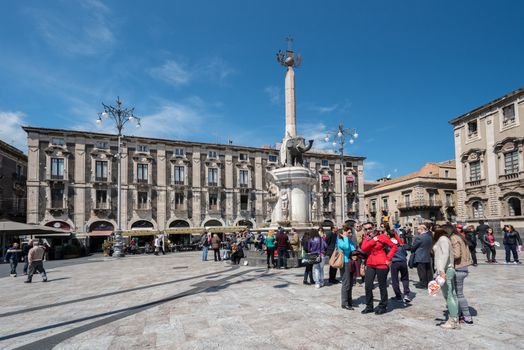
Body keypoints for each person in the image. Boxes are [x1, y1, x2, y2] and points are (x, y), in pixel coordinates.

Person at [360, 222, 398, 315]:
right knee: (368, 285)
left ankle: (383, 306)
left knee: (382, 285)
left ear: (374, 227)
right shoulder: (366, 238)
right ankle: (369, 306)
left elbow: (394, 247)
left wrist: (388, 258)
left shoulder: (382, 236)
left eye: (370, 228)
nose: (368, 230)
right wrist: (373, 240)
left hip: (382, 262)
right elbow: (364, 248)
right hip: (370, 263)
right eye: (366, 229)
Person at [433, 228, 460, 329]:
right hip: (449, 269)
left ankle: (453, 321)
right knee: (453, 294)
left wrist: (440, 270)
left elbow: (444, 255)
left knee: (449, 296)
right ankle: (455, 317)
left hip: (445, 270)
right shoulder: (446, 239)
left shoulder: (442, 239)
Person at [448, 224, 474, 325]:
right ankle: (463, 315)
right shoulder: (460, 237)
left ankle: (466, 316)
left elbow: (457, 254)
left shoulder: (454, 238)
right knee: (458, 294)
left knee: (458, 294)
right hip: (464, 268)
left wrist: (446, 256)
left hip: (458, 268)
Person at [388, 231, 411, 303]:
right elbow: (405, 253)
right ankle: (406, 294)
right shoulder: (400, 243)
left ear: (389, 235)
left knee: (395, 280)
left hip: (394, 263)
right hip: (403, 262)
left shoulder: (388, 244)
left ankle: (398, 296)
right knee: (405, 278)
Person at [337, 228, 357, 310]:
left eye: (350, 233)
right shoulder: (340, 241)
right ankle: (344, 303)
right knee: (346, 283)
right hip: (344, 263)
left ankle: (349, 300)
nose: (350, 234)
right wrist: (345, 237)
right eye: (348, 232)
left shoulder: (349, 240)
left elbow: (353, 249)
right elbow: (345, 247)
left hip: (350, 263)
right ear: (341, 234)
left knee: (351, 282)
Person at [411, 224, 433, 288]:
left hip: (420, 256)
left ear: (422, 229)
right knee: (428, 271)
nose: (417, 230)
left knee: (421, 271)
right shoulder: (429, 236)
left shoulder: (419, 237)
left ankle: (423, 283)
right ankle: (429, 283)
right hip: (427, 255)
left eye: (418, 229)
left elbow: (414, 247)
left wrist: (412, 249)